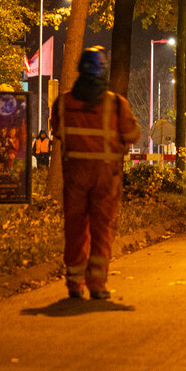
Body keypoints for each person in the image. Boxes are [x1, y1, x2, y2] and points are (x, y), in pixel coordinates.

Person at [51, 47, 142, 300]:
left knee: (75, 228)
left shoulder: (63, 103)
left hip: (75, 176)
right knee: (102, 229)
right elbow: (133, 135)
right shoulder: (116, 104)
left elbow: (58, 132)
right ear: (103, 72)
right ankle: (97, 284)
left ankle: (74, 283)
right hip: (106, 178)